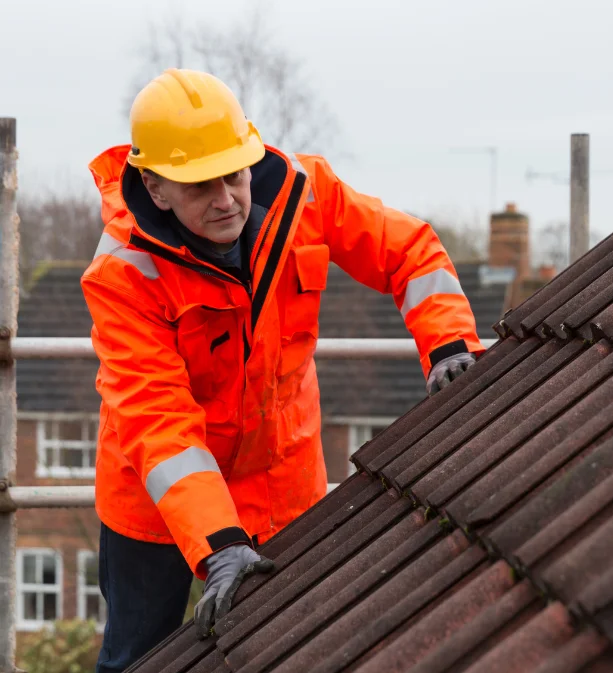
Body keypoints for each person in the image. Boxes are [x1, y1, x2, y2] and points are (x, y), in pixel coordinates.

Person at [82, 68, 483, 672]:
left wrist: (450, 342)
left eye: (234, 175)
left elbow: (408, 251)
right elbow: (157, 421)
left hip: (281, 489)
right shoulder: (123, 274)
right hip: (157, 509)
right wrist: (218, 544)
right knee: (138, 659)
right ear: (156, 188)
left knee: (288, 652)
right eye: (200, 187)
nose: (226, 200)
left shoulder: (306, 194)